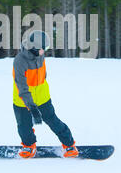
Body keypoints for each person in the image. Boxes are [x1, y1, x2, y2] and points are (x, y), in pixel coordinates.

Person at [12, 30, 78, 158]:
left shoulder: (39, 55)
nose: (45, 51)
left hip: (42, 97)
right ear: (35, 48)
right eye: (44, 48)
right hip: (22, 99)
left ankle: (69, 144)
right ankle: (29, 146)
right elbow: (22, 87)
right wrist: (31, 107)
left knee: (53, 121)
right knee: (24, 126)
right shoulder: (19, 61)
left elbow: (43, 75)